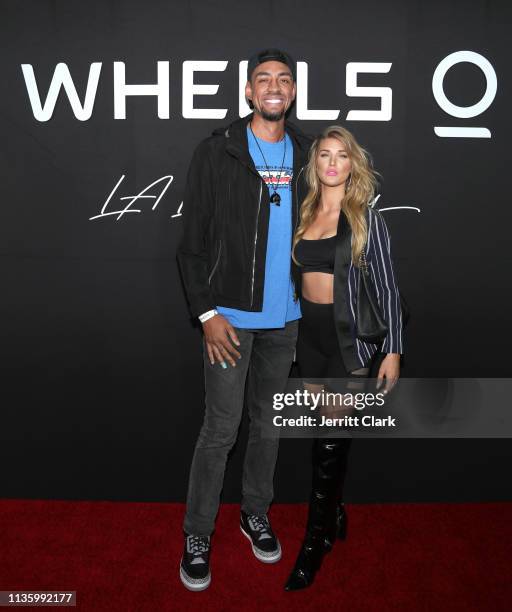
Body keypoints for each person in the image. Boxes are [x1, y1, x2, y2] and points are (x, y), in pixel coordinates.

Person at [176, 48, 312, 591]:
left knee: (270, 425)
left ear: (293, 92)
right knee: (220, 430)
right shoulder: (218, 153)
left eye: (283, 79)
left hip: (288, 320)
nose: (274, 87)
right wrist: (206, 312)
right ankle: (197, 532)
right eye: (264, 79)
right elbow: (191, 246)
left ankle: (255, 512)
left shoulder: (308, 154)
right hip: (229, 319)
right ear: (250, 93)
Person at [284, 125, 404, 591]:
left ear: (353, 164)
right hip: (308, 342)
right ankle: (334, 510)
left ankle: (314, 544)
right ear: (315, 165)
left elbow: (390, 287)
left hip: (348, 344)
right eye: (324, 156)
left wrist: (393, 349)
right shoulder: (306, 210)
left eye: (341, 155)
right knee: (325, 434)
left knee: (329, 443)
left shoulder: (367, 220)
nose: (332, 163)